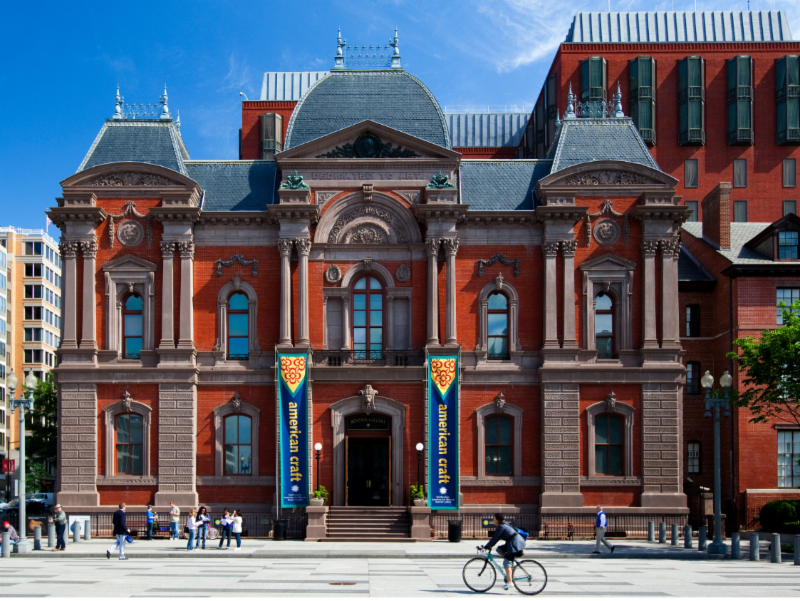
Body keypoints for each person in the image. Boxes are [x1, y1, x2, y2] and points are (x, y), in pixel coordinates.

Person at [483, 514, 525, 591]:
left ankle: (509, 582)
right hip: (512, 542)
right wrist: (488, 546)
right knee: (499, 550)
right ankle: (509, 564)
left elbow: (496, 537)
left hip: (515, 543)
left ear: (498, 520)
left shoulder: (501, 526)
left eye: (494, 518)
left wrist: (487, 546)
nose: (493, 520)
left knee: (506, 562)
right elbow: (496, 538)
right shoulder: (503, 524)